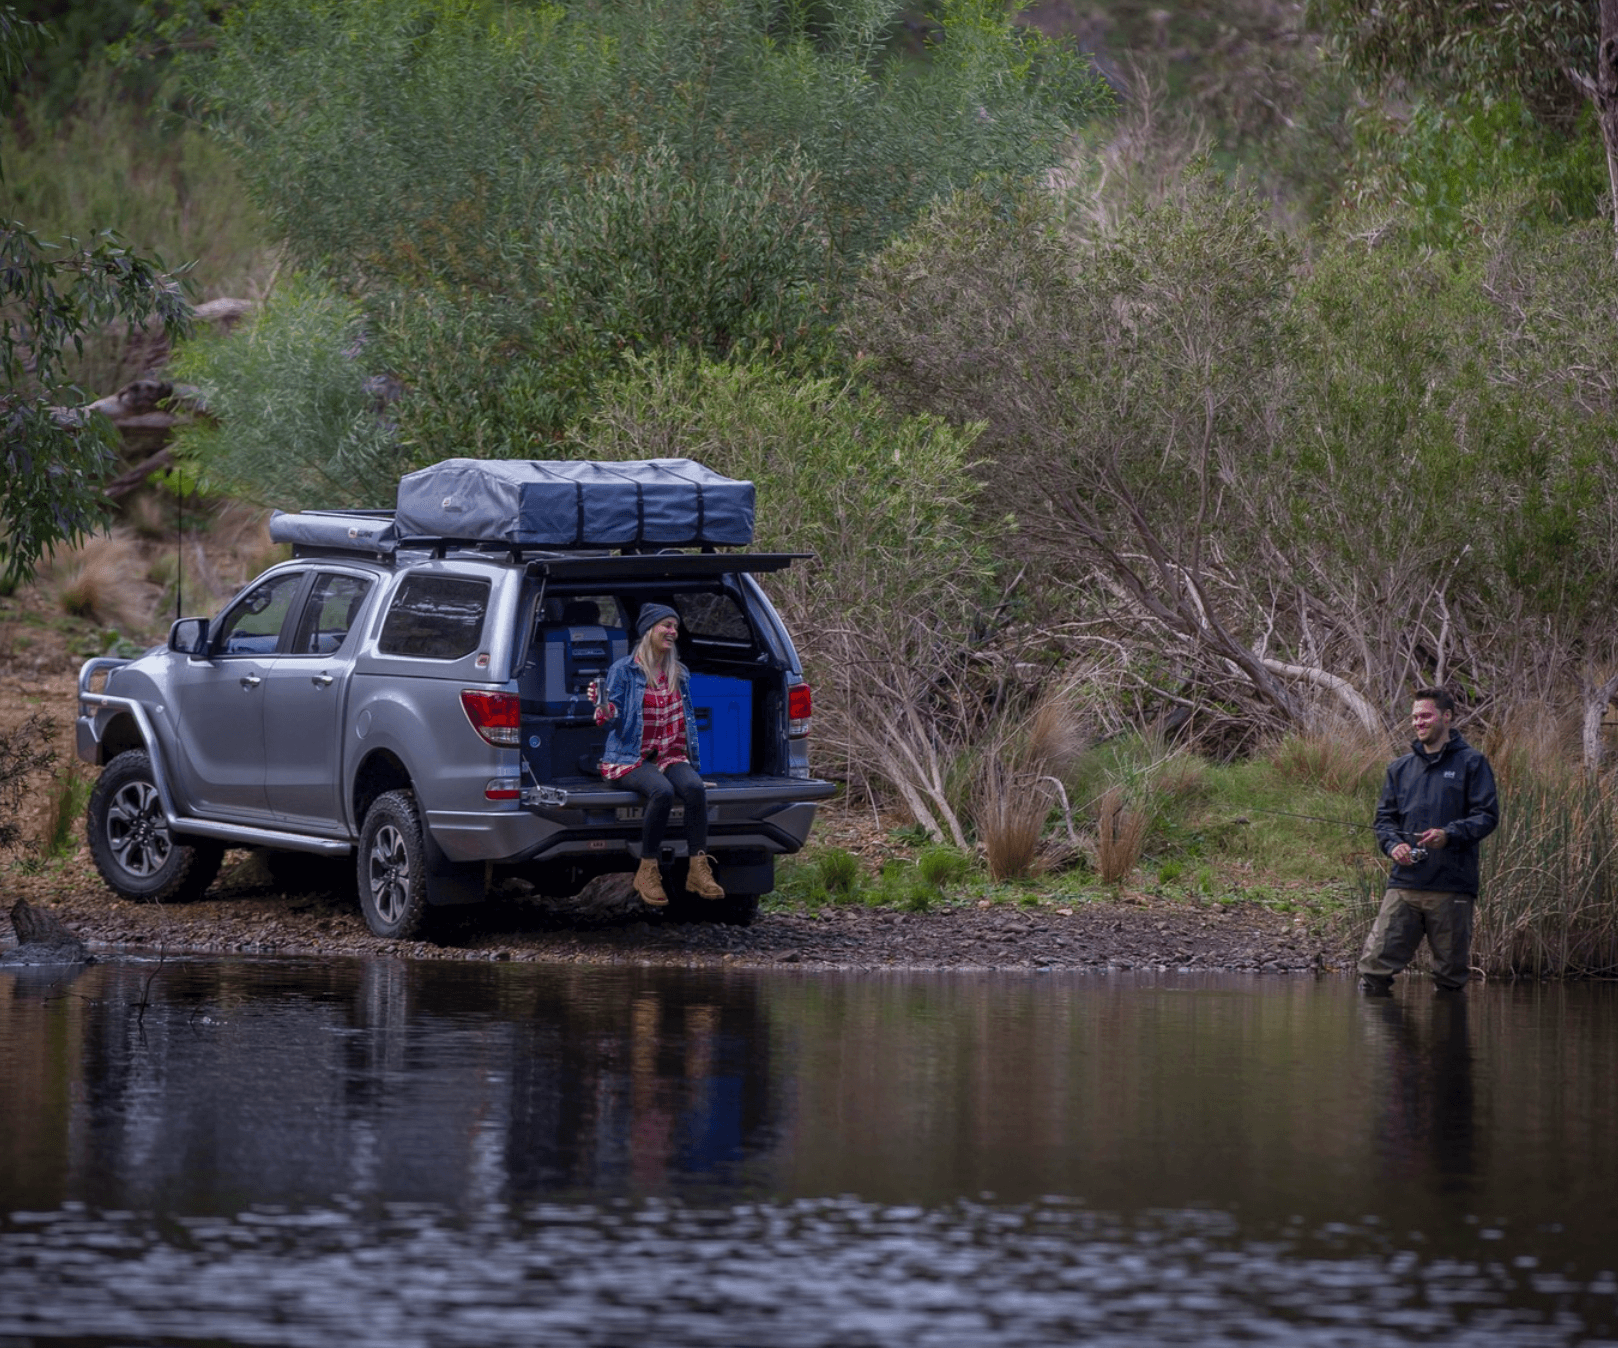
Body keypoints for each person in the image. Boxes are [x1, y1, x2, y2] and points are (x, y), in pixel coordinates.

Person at [1359, 687, 1499, 995]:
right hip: (1404, 885)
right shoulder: (1399, 768)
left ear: (1446, 717)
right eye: (1414, 717)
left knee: (1450, 980)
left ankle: (1446, 1028)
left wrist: (1449, 834)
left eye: (1425, 716)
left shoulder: (1473, 763)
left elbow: (1487, 816)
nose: (1418, 722)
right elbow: (1384, 820)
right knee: (1372, 972)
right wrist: (1393, 845)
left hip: (1452, 888)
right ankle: (1384, 1027)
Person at [592, 602, 725, 908]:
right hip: (629, 757)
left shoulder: (679, 672)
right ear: (649, 630)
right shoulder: (624, 671)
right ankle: (647, 870)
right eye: (666, 625)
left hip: (669, 756)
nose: (672, 632)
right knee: (662, 792)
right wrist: (604, 708)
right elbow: (611, 717)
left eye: (675, 627)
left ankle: (698, 868)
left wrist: (685, 756)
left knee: (694, 789)